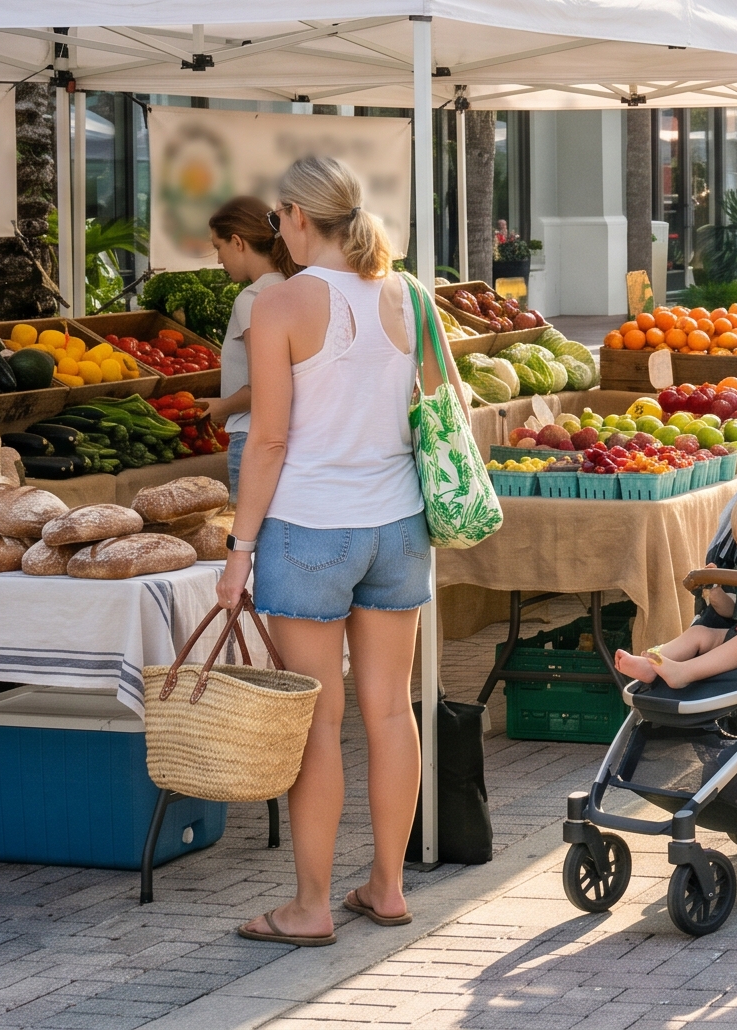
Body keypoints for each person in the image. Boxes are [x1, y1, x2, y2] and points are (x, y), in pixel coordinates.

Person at [216, 154, 434, 947]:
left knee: (318, 721)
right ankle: (387, 885)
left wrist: (239, 549)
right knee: (389, 710)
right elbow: (436, 407)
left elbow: (267, 440)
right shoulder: (409, 295)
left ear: (299, 219)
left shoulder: (281, 303)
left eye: (277, 220)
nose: (277, 231)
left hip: (308, 529)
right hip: (400, 526)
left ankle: (308, 908)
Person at [612, 487, 737, 687]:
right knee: (699, 632)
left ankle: (683, 672)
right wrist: (715, 590)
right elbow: (729, 611)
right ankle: (650, 665)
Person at [201, 196, 295, 498]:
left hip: (252, 437)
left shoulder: (252, 299)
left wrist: (218, 408)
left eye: (218, 247)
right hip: (291, 438)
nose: (219, 260)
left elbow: (263, 387)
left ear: (238, 242)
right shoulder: (295, 289)